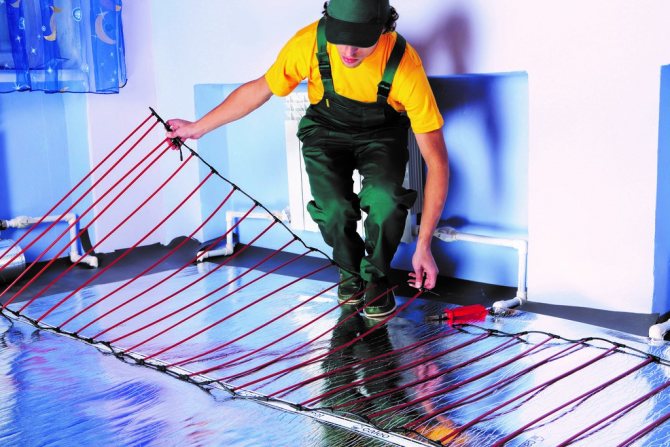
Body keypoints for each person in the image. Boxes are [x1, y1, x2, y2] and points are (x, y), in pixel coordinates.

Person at [167, 0, 449, 319]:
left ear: (383, 29)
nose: (348, 52)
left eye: (360, 42)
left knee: (385, 201)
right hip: (325, 130)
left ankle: (377, 278)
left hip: (381, 134)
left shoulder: (405, 65)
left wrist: (424, 245)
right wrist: (197, 127)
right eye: (341, 38)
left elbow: (437, 163)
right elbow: (260, 89)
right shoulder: (309, 43)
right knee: (333, 209)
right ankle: (350, 271)